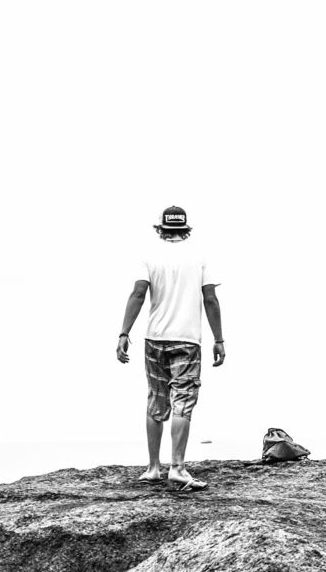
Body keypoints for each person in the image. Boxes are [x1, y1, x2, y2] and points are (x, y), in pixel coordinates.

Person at [117, 206, 225, 492]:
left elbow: (138, 293)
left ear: (162, 229)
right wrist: (219, 339)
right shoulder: (201, 256)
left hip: (155, 338)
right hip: (187, 340)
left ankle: (153, 468)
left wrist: (124, 332)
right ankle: (177, 468)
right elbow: (210, 298)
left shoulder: (148, 256)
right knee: (183, 403)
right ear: (185, 228)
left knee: (156, 400)